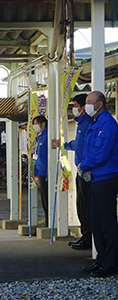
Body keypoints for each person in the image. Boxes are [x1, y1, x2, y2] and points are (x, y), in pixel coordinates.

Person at [79, 91, 118, 277]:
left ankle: (110, 263)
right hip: (96, 177)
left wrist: (84, 165)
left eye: (88, 102)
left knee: (107, 222)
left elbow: (100, 153)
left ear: (99, 104)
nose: (86, 106)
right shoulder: (96, 123)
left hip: (106, 178)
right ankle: (102, 259)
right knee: (96, 221)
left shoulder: (107, 124)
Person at [64, 94, 93, 250]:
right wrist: (65, 146)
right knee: (81, 205)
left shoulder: (88, 123)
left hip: (87, 171)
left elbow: (90, 148)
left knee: (86, 205)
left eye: (75, 105)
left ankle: (88, 237)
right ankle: (85, 235)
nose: (74, 108)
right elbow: (78, 144)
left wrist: (86, 166)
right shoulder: (81, 123)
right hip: (81, 169)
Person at [32, 115, 48, 226]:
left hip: (46, 173)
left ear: (42, 124)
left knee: (47, 199)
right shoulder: (39, 137)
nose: (34, 126)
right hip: (40, 172)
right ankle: (47, 221)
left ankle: (49, 222)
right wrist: (35, 173)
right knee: (43, 199)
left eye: (36, 123)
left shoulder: (47, 135)